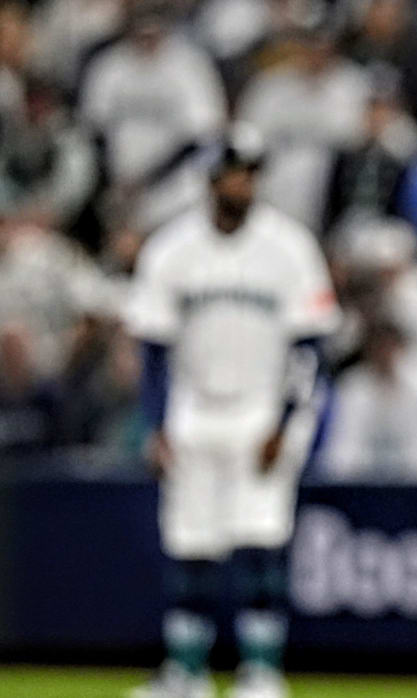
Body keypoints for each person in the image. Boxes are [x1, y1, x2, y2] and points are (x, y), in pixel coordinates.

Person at [125, 126, 339, 698]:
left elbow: (311, 345)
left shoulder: (290, 247)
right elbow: (153, 348)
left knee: (259, 541)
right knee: (190, 544)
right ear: (210, 179)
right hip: (194, 409)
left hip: (263, 412)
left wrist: (289, 421)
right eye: (229, 173)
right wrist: (156, 424)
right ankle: (186, 672)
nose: (239, 184)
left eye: (247, 173)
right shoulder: (172, 248)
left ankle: (261, 671)